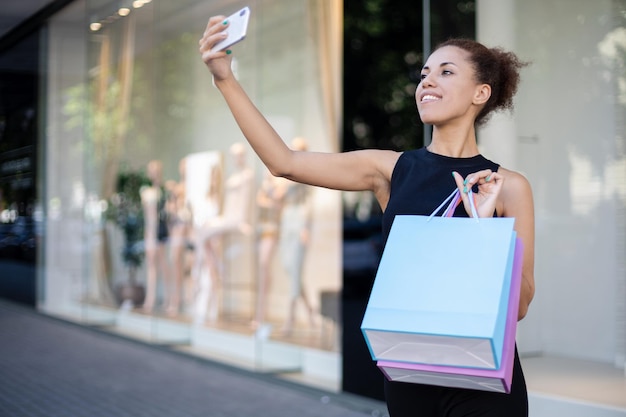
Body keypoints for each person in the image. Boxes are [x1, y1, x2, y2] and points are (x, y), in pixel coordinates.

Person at [199, 16, 534, 417]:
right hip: (411, 374)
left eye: (446, 72)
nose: (427, 81)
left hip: (484, 378)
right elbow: (283, 162)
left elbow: (521, 305)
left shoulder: (507, 186)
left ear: (481, 92)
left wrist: (480, 229)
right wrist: (224, 79)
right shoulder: (391, 169)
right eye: (424, 73)